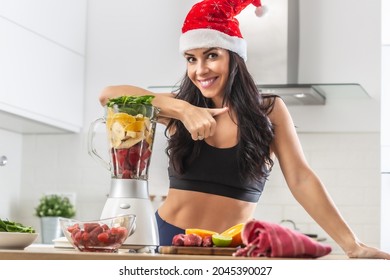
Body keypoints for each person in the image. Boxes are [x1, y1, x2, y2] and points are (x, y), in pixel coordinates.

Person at [99, 0, 390, 259]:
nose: (200, 69)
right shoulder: (178, 109)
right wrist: (184, 110)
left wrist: (352, 245)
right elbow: (108, 95)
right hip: (166, 242)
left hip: (232, 251)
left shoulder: (269, 111)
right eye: (191, 58)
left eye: (211, 55)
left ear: (233, 56)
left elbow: (301, 179)